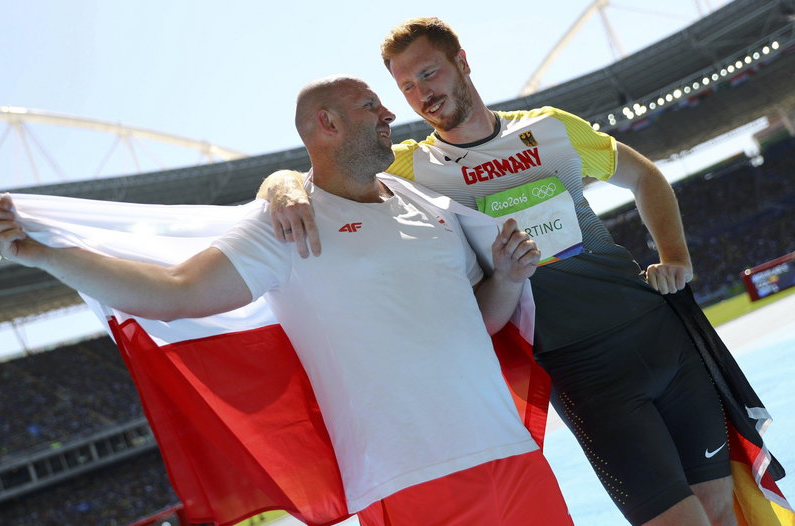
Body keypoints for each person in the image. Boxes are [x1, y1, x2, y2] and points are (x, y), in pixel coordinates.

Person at [0, 75, 572, 525]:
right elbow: (175, 294)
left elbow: (479, 323)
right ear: (326, 124)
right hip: (410, 475)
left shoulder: (430, 206)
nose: (391, 112)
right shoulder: (285, 223)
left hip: (509, 451)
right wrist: (48, 256)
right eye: (371, 105)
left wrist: (510, 280)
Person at [259, 18, 736, 526]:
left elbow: (644, 174)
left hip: (657, 332)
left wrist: (676, 256)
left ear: (461, 61)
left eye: (429, 73)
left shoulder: (549, 127)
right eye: (407, 86)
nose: (421, 94)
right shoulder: (410, 167)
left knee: (721, 511)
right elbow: (320, 169)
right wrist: (281, 186)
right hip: (579, 368)